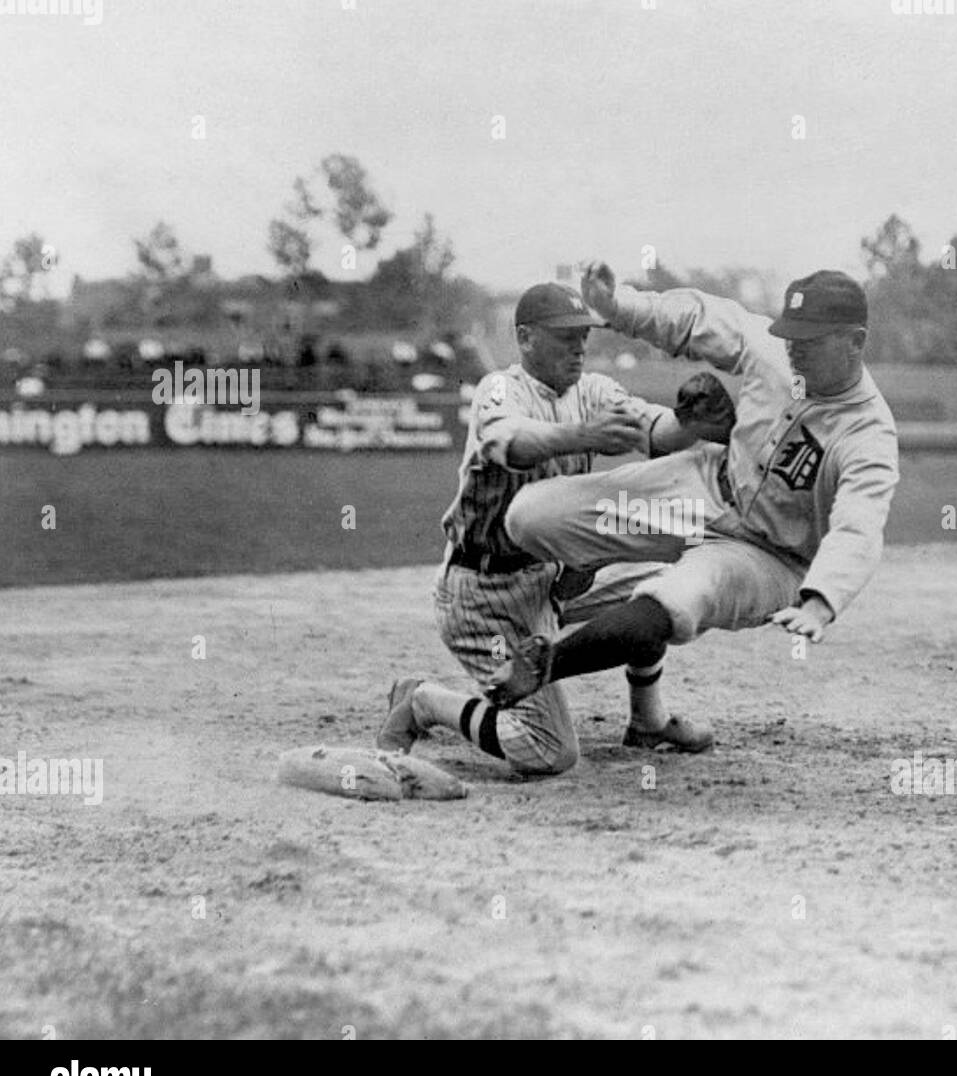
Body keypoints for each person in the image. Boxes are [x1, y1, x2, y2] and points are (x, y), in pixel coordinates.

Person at [486, 262, 899, 711]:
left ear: (856, 342)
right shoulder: (775, 351)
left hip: (768, 557)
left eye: (810, 341)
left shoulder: (867, 434)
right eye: (791, 335)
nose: (794, 350)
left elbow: (859, 528)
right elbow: (693, 319)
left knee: (674, 603)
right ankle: (594, 560)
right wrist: (616, 303)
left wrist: (821, 600)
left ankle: (544, 666)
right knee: (528, 516)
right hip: (701, 488)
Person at [375, 281, 713, 776]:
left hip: (551, 580)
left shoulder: (593, 390)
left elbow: (657, 430)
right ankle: (425, 702)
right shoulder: (500, 389)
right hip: (486, 592)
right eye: (564, 336)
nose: (579, 346)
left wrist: (695, 421)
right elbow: (510, 443)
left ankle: (648, 720)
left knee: (658, 592)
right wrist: (579, 435)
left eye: (583, 335)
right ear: (526, 338)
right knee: (548, 751)